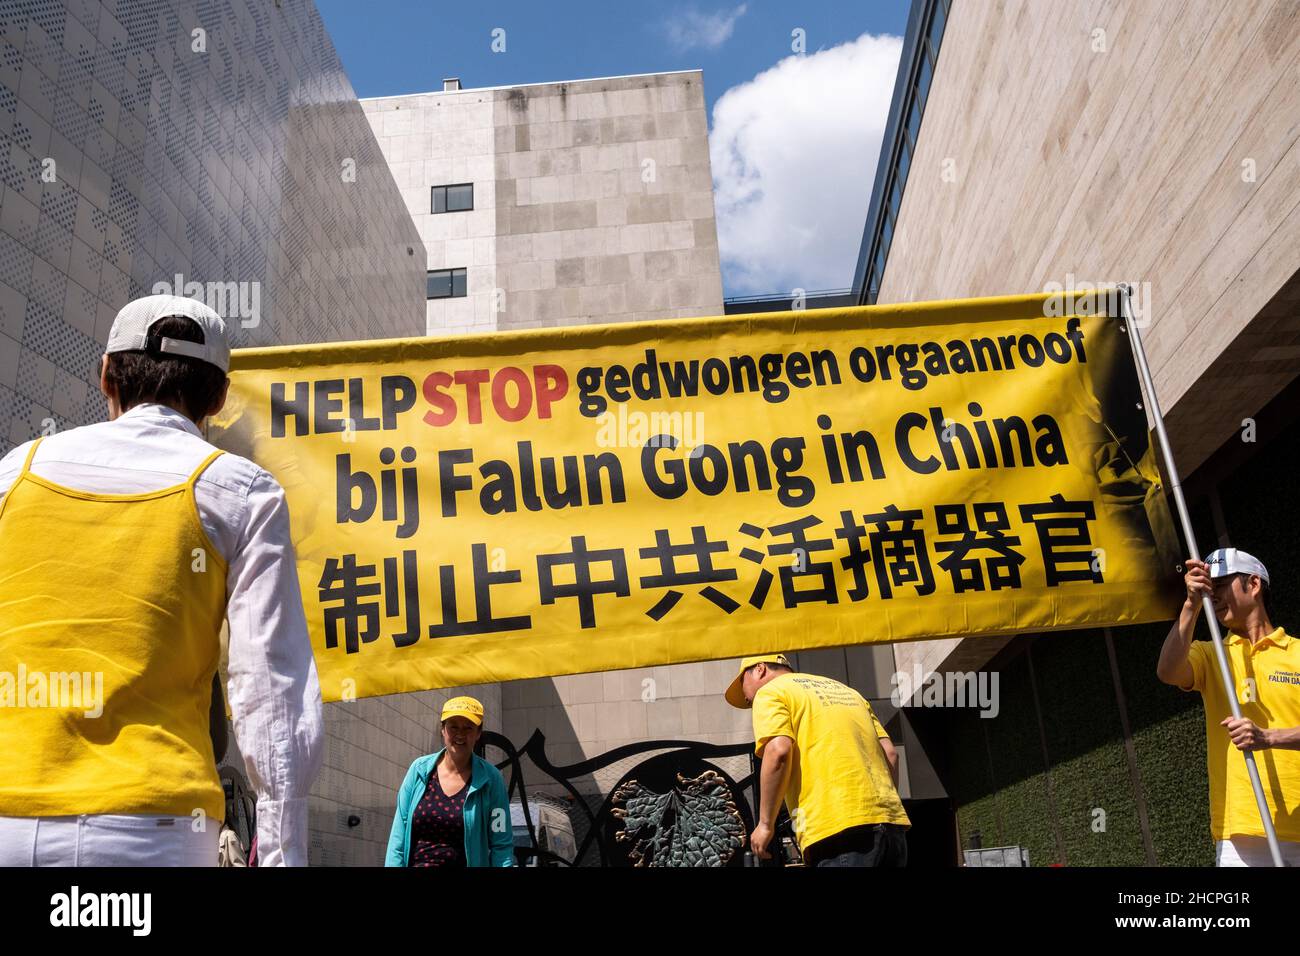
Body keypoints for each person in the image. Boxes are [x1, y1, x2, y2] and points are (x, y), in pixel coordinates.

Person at [0, 294, 323, 866]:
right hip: (151, 832)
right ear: (219, 397)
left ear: (106, 376)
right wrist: (281, 854)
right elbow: (271, 691)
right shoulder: (241, 491)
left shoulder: (14, 474)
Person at [1156, 547, 1300, 866]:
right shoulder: (1212, 655)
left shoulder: (1297, 654)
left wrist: (1268, 738)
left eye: (1221, 585)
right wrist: (1191, 604)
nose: (1214, 596)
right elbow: (1167, 671)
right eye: (1208, 588)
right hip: (1242, 833)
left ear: (1254, 584)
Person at [724, 653, 910, 867]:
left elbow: (778, 751)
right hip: (891, 827)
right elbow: (889, 754)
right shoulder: (849, 692)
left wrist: (765, 824)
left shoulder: (770, 692)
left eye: (743, 687)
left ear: (759, 669)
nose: (748, 700)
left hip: (836, 830)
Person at [385, 696, 515, 867]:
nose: (460, 734)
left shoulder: (492, 779)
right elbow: (398, 838)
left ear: (478, 733)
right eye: (453, 726)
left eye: (468, 728)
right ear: (443, 729)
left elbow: (501, 844)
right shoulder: (418, 770)